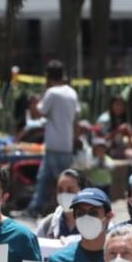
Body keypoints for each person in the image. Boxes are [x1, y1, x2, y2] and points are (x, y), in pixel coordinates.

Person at [27, 61, 81, 218]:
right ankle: (39, 208)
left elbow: (38, 113)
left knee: (49, 180)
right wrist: (75, 139)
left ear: (47, 76)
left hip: (53, 144)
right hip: (66, 144)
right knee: (56, 179)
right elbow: (76, 120)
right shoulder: (71, 93)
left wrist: (33, 103)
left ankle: (41, 208)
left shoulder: (52, 93)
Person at [35, 168, 89, 239]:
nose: (64, 195)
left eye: (70, 191)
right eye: (60, 190)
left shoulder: (97, 224)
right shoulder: (47, 225)